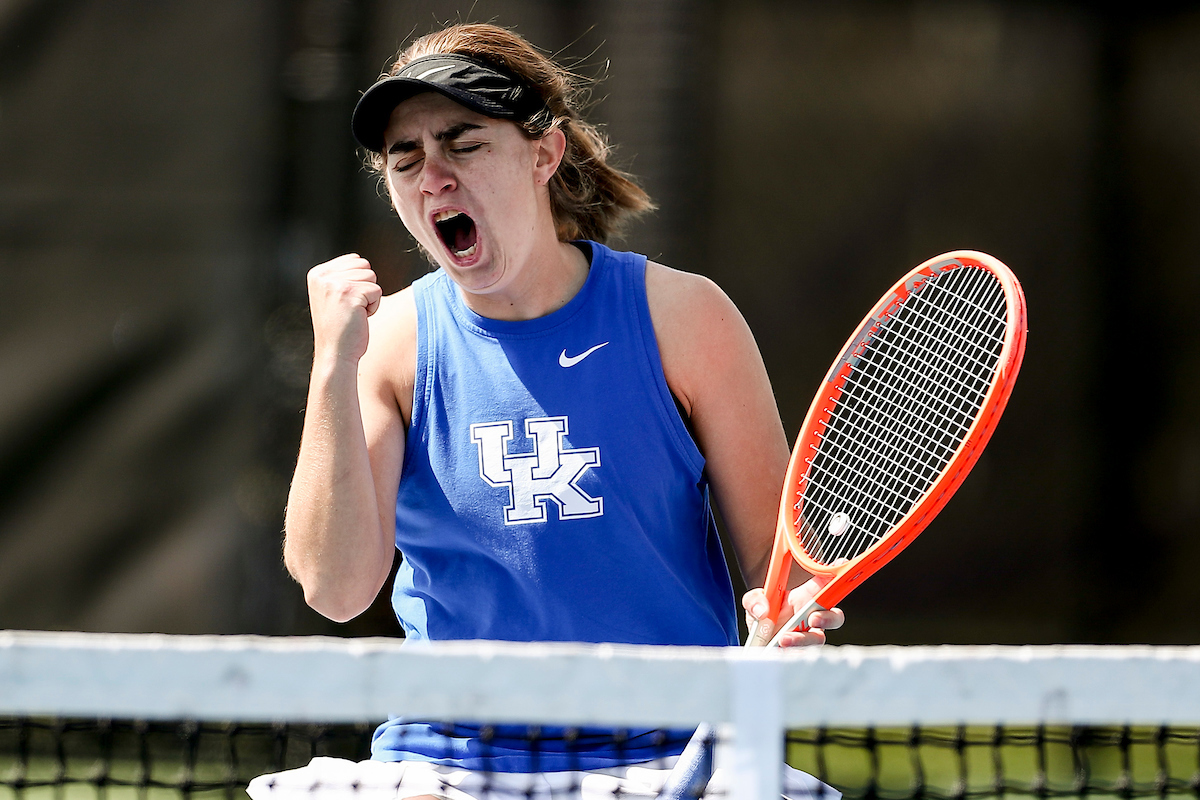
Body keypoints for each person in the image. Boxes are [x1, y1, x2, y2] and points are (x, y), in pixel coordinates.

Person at [253, 21, 844, 800]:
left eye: (464, 144)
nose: (434, 177)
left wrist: (792, 614)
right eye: (407, 158)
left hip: (679, 750)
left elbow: (782, 567)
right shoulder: (385, 345)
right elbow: (335, 590)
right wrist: (333, 365)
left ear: (545, 154)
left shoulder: (686, 319)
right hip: (446, 761)